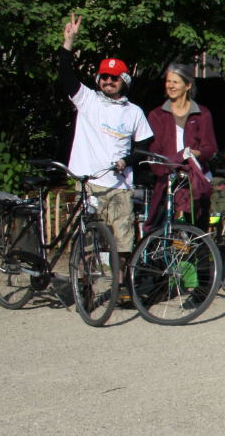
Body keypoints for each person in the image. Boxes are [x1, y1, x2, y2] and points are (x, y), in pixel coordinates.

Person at [59, 13, 154, 267]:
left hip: (120, 186)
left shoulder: (134, 112)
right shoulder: (87, 100)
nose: (108, 81)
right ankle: (86, 288)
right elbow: (66, 76)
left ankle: (121, 287)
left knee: (123, 242)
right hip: (89, 182)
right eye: (104, 77)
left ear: (124, 81)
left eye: (114, 78)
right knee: (87, 241)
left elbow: (144, 149)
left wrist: (126, 160)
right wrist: (68, 44)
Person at [146, 62, 216, 231]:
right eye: (169, 81)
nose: (171, 86)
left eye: (176, 82)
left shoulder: (202, 113)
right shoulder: (157, 115)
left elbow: (210, 148)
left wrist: (194, 154)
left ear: (188, 85)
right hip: (167, 178)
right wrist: (165, 169)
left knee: (198, 230)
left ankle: (201, 255)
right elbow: (153, 151)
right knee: (160, 228)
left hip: (196, 177)